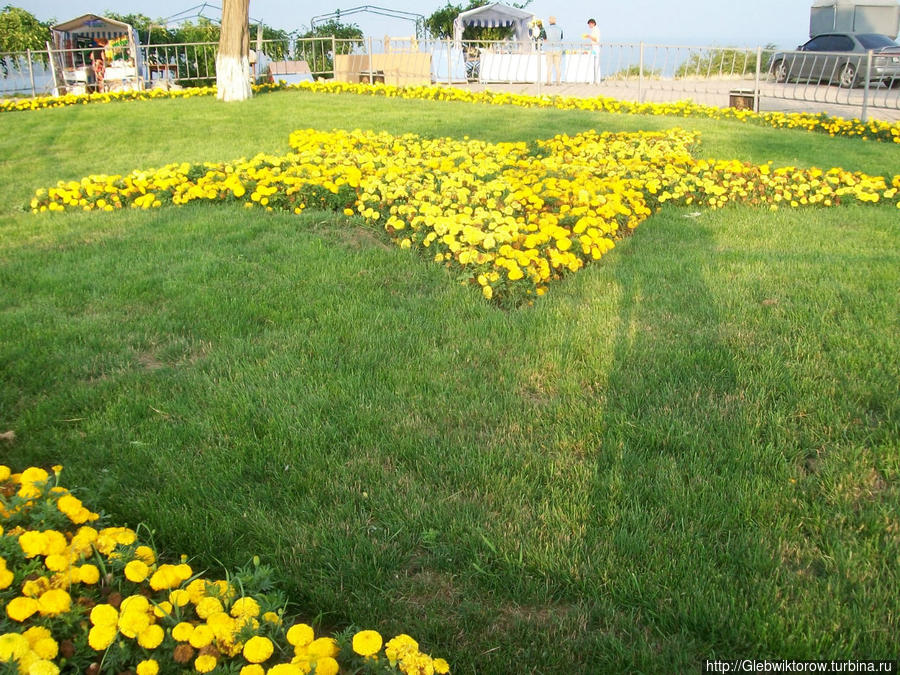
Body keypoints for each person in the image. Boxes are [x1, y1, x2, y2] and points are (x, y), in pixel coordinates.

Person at [544, 16, 564, 85]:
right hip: (558, 49)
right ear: (555, 21)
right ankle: (558, 82)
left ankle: (549, 82)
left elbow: (545, 39)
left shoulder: (546, 29)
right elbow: (561, 38)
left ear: (549, 21)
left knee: (549, 66)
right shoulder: (560, 29)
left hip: (549, 49)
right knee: (558, 66)